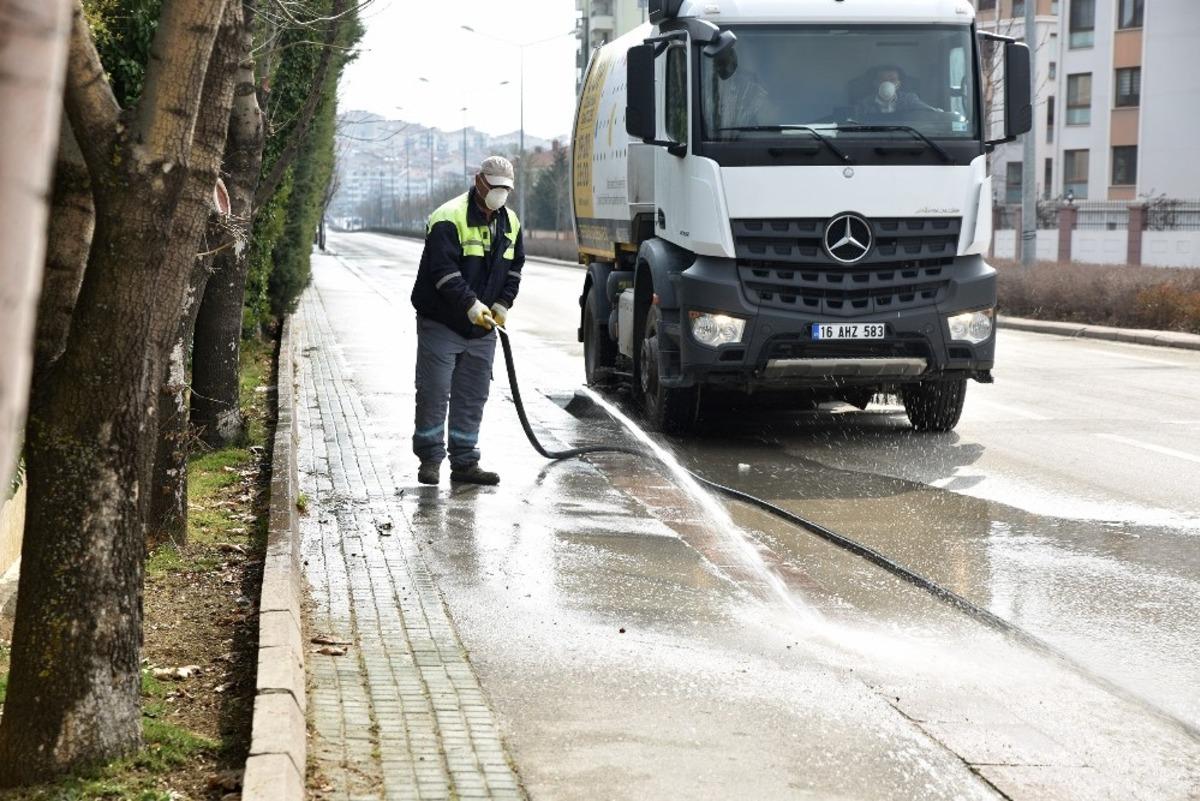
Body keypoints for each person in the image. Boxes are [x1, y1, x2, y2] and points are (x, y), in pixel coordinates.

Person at [410, 155, 523, 486]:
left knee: (472, 395)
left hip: (484, 326)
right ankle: (430, 459)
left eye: (506, 189)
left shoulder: (511, 223)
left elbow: (515, 267)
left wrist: (502, 303)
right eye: (495, 187)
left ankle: (464, 462)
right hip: (442, 321)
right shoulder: (448, 218)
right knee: (434, 391)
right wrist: (470, 304)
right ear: (479, 181)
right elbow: (443, 272)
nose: (500, 194)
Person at [853, 65, 939, 118]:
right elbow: (854, 121)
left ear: (898, 84)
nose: (887, 83)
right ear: (875, 83)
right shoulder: (864, 104)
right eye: (882, 80)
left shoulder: (909, 99)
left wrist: (940, 113)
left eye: (892, 80)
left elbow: (930, 111)